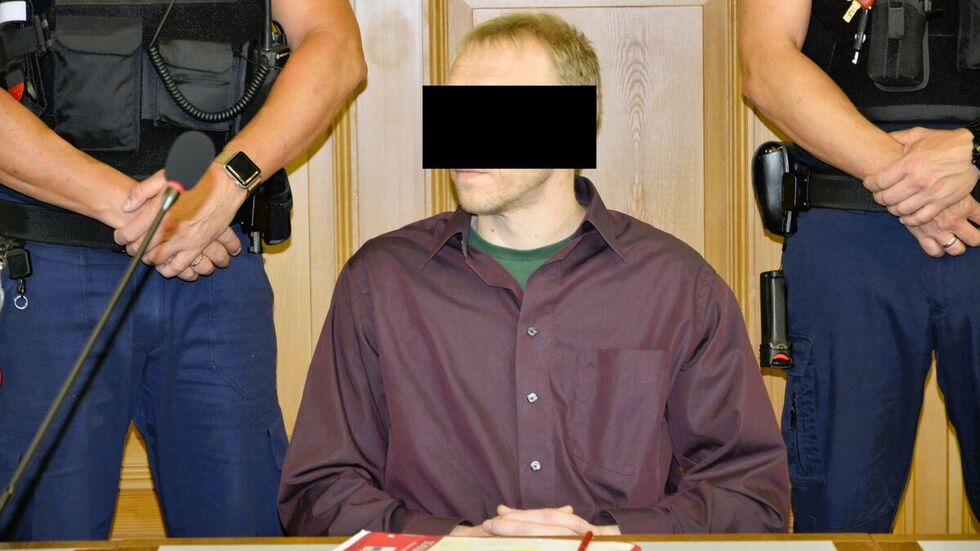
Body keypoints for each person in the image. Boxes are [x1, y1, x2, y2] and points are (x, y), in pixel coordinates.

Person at [278, 12, 789, 537]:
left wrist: (609, 540)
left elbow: (751, 497)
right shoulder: (380, 282)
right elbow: (319, 492)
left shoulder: (677, 287)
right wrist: (455, 541)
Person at [0, 0, 365, 540]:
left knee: (241, 530)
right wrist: (138, 209)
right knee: (47, 532)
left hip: (214, 261)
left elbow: (336, 45)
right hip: (51, 260)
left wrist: (227, 183)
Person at [740, 0, 980, 532]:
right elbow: (765, 61)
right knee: (840, 516)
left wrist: (976, 149)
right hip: (849, 228)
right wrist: (909, 177)